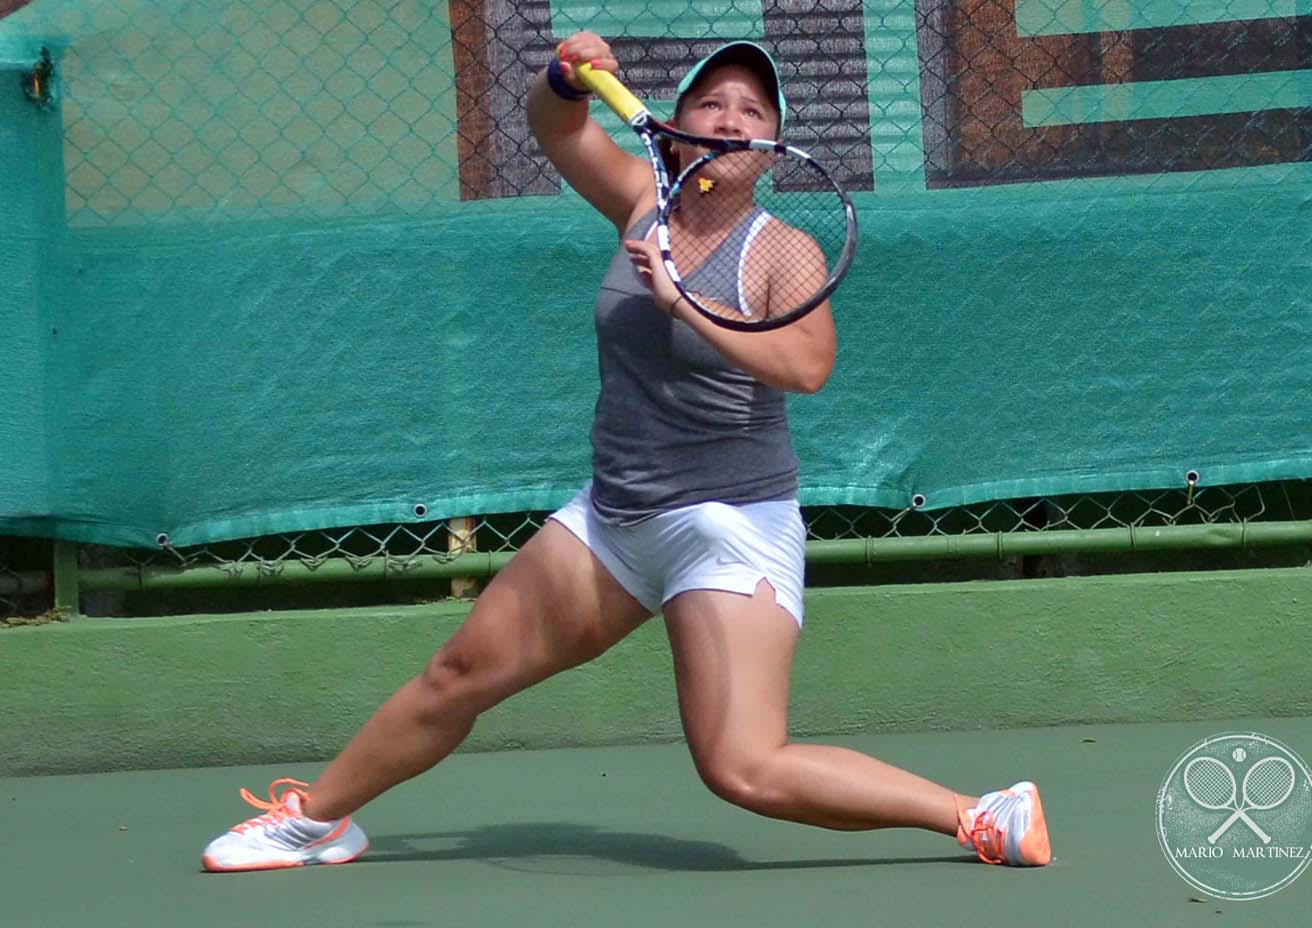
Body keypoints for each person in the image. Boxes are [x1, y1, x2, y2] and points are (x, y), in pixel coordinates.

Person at [199, 33, 1051, 873]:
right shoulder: (643, 197)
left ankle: (978, 815)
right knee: (459, 671)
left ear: (767, 151)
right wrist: (565, 77)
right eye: (709, 102)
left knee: (741, 767)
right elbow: (558, 130)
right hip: (614, 518)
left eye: (750, 110)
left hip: (727, 527)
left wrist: (685, 303)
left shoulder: (781, 250)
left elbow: (808, 366)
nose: (727, 117)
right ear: (674, 126)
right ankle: (315, 821)